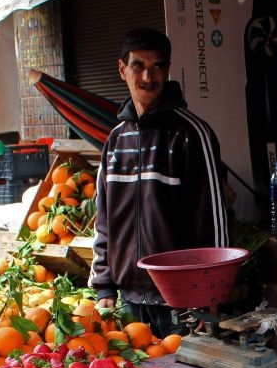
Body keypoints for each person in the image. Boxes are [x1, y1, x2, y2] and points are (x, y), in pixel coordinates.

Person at [90, 27, 229, 331]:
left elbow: (213, 223)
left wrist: (208, 298)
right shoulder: (114, 143)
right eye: (138, 65)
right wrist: (103, 287)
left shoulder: (192, 135)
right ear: (122, 68)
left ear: (167, 71)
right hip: (128, 304)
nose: (147, 78)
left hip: (181, 307)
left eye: (157, 67)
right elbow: (104, 222)